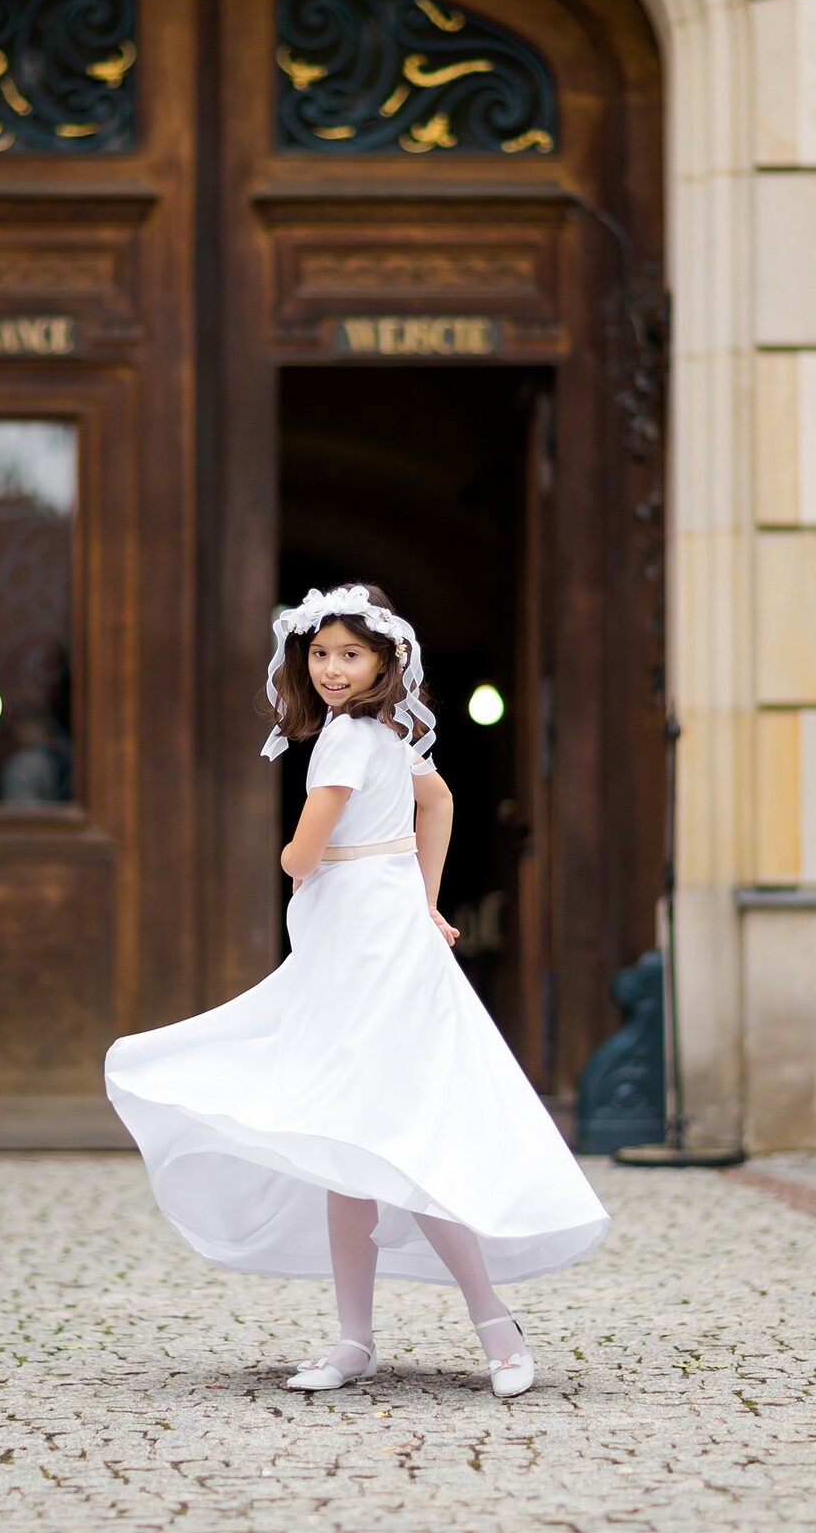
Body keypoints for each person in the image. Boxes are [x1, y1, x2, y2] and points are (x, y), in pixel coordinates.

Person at [105, 582, 609, 1398]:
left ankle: (487, 1326)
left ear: (384, 660)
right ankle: (361, 1339)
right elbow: (437, 800)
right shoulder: (382, 734)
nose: (333, 669)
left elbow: (303, 852)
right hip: (374, 925)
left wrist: (306, 864)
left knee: (395, 1134)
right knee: (349, 1142)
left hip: (365, 933)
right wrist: (423, 892)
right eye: (320, 653)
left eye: (350, 654)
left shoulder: (347, 740)